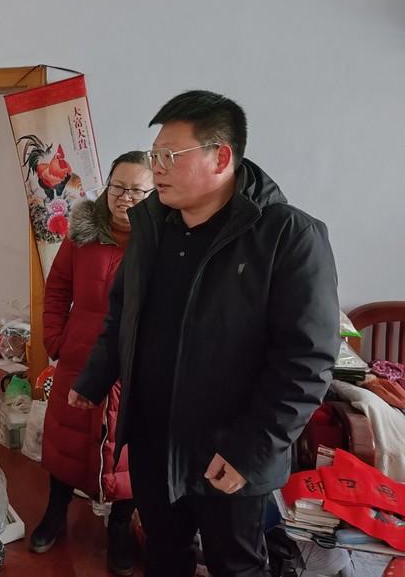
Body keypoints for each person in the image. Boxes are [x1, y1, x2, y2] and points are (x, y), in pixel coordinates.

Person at [70, 91, 340, 577]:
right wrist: (94, 378)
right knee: (164, 553)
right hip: (153, 440)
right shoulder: (152, 225)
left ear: (221, 157)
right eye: (154, 155)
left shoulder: (287, 235)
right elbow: (124, 313)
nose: (157, 169)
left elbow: (307, 360)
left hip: (229, 448)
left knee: (235, 565)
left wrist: (251, 452)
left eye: (170, 156)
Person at [31, 151, 154, 576]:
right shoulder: (82, 234)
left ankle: (119, 528)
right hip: (79, 358)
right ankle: (55, 514)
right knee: (66, 440)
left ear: (154, 193)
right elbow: (57, 289)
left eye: (137, 190)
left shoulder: (163, 242)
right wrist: (55, 339)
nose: (125, 198)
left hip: (135, 367)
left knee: (127, 451)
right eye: (118, 187)